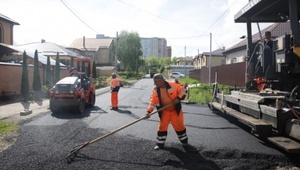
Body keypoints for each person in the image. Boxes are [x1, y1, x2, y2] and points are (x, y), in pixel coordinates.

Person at [145, 73, 188, 150]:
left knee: (179, 126)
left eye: (156, 81)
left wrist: (178, 98)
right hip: (164, 111)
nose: (154, 83)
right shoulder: (155, 90)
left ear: (161, 81)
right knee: (162, 127)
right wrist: (148, 112)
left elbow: (184, 89)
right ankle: (160, 144)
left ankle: (185, 143)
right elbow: (152, 102)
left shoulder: (173, 85)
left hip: (175, 110)